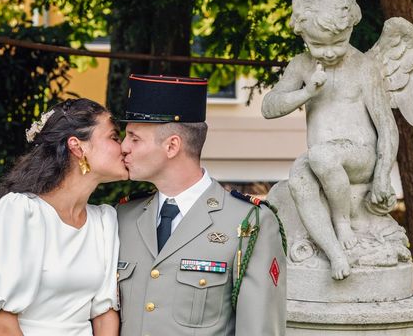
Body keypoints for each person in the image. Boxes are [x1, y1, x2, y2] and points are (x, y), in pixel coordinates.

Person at [116, 74, 287, 336]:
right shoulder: (122, 217)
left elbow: (259, 329)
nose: (124, 147)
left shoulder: (249, 223)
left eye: (134, 138)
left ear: (172, 146)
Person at [261, 0, 400, 279]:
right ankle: (336, 253)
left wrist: (382, 175)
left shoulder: (364, 67)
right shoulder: (301, 65)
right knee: (299, 177)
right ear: (302, 35)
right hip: (320, 160)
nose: (328, 53)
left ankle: (342, 222)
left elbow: (387, 127)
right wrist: (306, 93)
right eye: (317, 45)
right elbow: (268, 107)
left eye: (338, 43)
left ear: (351, 28)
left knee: (322, 156)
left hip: (360, 158)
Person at [0, 98, 128, 336]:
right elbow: (1, 326)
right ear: (78, 147)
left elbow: (104, 312)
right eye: (114, 137)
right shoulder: (20, 213)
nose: (125, 147)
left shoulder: (104, 221)